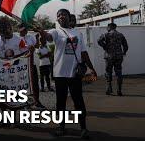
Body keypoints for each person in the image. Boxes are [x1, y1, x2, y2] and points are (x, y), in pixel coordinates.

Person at [35, 9, 97, 139]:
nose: (61, 16)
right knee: (61, 102)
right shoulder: (56, 31)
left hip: (75, 74)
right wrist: (41, 31)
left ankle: (83, 128)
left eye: (63, 14)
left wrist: (92, 68)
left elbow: (83, 53)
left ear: (69, 17)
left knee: (78, 101)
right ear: (57, 19)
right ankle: (61, 127)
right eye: (58, 15)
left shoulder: (78, 34)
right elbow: (48, 37)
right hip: (60, 74)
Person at [18, 23, 46, 109]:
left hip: (32, 64)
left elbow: (37, 46)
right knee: (22, 85)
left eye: (24, 30)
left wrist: (37, 39)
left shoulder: (30, 37)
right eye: (21, 30)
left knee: (34, 84)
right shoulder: (16, 39)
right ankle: (25, 103)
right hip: (21, 66)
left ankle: (36, 101)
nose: (23, 32)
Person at [98, 23, 128, 96]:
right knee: (119, 73)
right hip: (118, 56)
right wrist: (123, 52)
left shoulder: (106, 34)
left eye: (107, 27)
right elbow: (125, 46)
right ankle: (119, 90)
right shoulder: (120, 35)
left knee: (108, 72)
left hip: (109, 56)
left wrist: (105, 46)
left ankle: (109, 88)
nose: (107, 28)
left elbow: (99, 41)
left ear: (109, 27)